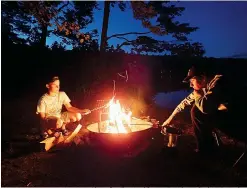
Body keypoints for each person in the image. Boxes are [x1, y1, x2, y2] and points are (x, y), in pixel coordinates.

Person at [161, 66, 247, 154]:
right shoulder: (206, 87)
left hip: (239, 124)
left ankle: (206, 151)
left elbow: (205, 108)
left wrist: (197, 93)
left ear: (203, 78)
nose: (190, 85)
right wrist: (170, 119)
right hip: (230, 119)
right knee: (197, 108)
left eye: (192, 81)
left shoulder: (219, 83)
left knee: (197, 110)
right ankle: (207, 147)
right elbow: (184, 103)